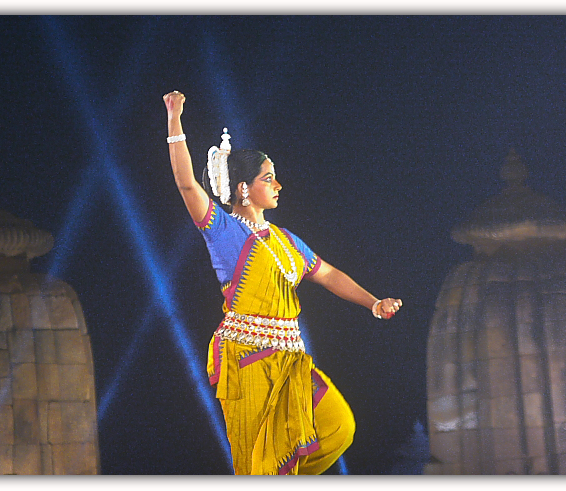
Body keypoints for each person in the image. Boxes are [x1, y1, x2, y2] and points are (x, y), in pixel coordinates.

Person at [163, 90, 402, 475]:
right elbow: (188, 185)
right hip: (247, 361)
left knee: (338, 427)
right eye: (268, 178)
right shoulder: (223, 231)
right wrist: (175, 118)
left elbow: (327, 274)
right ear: (244, 188)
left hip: (290, 359)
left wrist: (373, 303)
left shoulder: (285, 240)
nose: (278, 186)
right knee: (259, 460)